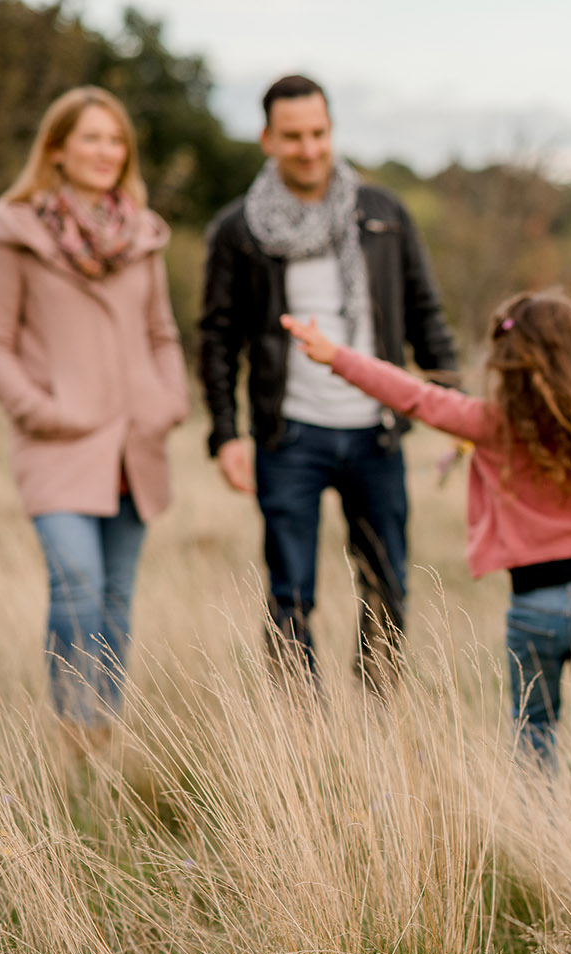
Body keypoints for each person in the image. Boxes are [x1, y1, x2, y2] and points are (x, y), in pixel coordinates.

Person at [284, 250, 571, 793]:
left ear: (508, 363)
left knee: (534, 726)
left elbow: (413, 396)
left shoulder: (490, 422)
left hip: (534, 605)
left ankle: (542, 833)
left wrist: (335, 356)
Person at [199, 74, 459, 692]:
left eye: (318, 133)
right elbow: (216, 338)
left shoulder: (384, 214)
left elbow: (425, 314)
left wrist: (456, 405)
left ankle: (375, 728)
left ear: (331, 131)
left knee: (387, 587)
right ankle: (305, 742)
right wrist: (225, 435)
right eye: (293, 137)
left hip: (377, 434)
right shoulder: (239, 230)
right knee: (289, 595)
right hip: (289, 436)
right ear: (268, 138)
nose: (309, 148)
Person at [0, 86, 189, 744]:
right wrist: (36, 408)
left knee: (117, 598)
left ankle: (104, 733)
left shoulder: (143, 236)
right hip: (58, 441)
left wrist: (168, 399)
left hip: (135, 442)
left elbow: (162, 334)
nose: (105, 151)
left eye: (115, 139)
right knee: (77, 584)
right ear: (57, 149)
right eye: (90, 138)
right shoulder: (14, 231)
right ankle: (73, 726)